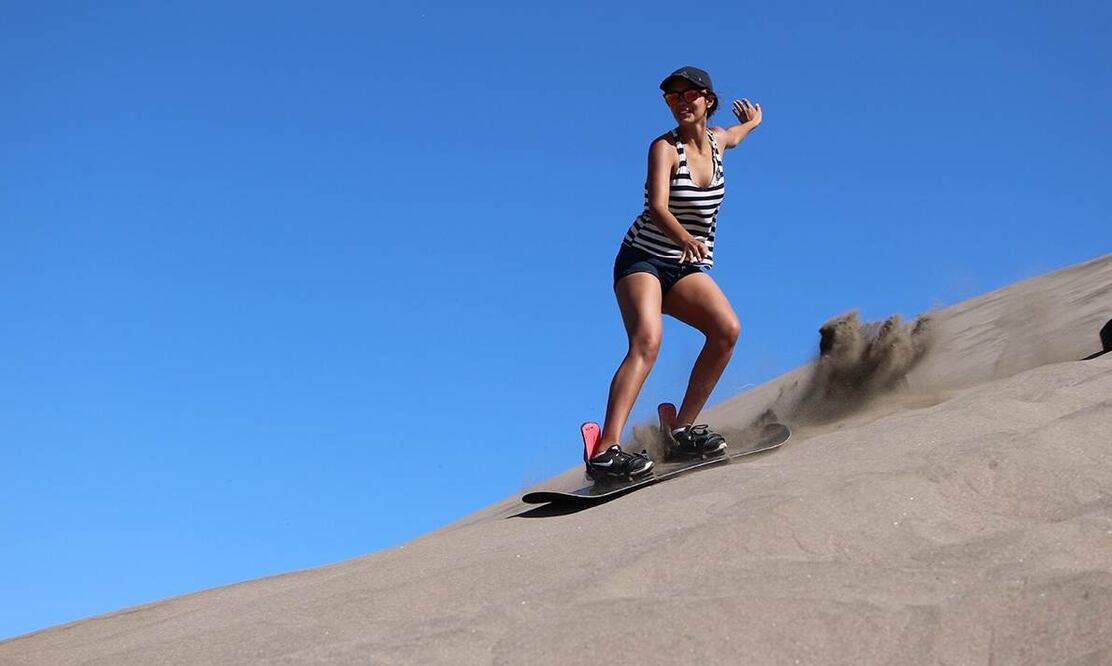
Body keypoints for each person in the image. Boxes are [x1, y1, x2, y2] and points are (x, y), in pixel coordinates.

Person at [585, 65, 763, 480]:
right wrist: (685, 238)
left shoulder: (718, 142)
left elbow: (735, 135)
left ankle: (681, 430)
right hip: (642, 259)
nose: (681, 103)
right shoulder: (664, 148)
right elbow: (658, 208)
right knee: (647, 341)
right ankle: (606, 450)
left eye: (689, 95)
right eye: (672, 98)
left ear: (708, 101)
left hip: (682, 266)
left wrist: (752, 122)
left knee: (726, 330)